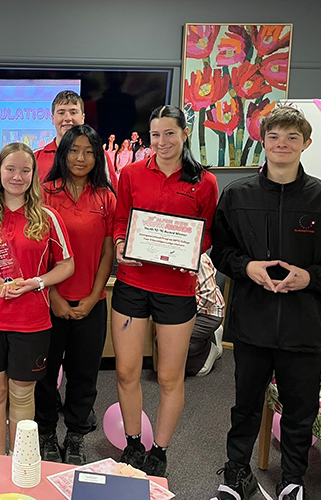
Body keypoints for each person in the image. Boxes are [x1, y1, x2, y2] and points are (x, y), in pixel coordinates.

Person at [210, 105, 321, 500]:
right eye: (274, 137)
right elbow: (220, 250)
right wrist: (247, 267)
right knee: (245, 407)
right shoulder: (237, 195)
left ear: (306, 143)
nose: (282, 144)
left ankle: (293, 480)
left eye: (292, 137)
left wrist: (311, 277)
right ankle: (237, 475)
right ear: (263, 141)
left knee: (300, 411)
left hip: (304, 327)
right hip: (252, 324)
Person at [112, 105, 218, 477]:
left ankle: (159, 449)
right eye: (156, 135)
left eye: (169, 133)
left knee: (169, 377)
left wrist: (192, 250)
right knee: (126, 371)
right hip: (132, 285)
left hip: (176, 289)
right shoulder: (131, 174)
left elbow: (208, 232)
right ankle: (133, 443)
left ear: (184, 134)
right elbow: (121, 219)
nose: (162, 142)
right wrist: (121, 243)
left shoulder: (205, 182)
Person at [0, 143, 74, 455]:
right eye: (10, 169)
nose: (17, 176)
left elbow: (66, 265)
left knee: (22, 394)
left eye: (25, 170)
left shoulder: (47, 218)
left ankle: (18, 462)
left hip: (31, 322)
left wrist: (38, 282)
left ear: (34, 175)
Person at [37, 125, 116, 465]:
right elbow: (37, 250)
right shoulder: (44, 193)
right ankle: (46, 433)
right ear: (62, 153)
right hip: (48, 302)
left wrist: (94, 296)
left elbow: (107, 252)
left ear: (98, 157)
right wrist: (53, 294)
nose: (81, 158)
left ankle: (75, 436)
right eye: (73, 150)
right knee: (44, 374)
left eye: (89, 151)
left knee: (84, 376)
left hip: (91, 303)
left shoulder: (106, 197)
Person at [34, 90, 117, 186]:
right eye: (61, 113)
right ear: (53, 118)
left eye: (73, 112)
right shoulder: (36, 158)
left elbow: (112, 191)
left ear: (82, 118)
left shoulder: (99, 155)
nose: (67, 118)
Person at [185, 253, 225, 377]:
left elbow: (208, 297)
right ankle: (210, 336)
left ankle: (208, 349)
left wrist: (183, 314)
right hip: (187, 309)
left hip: (208, 312)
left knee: (172, 344)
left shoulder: (199, 258)